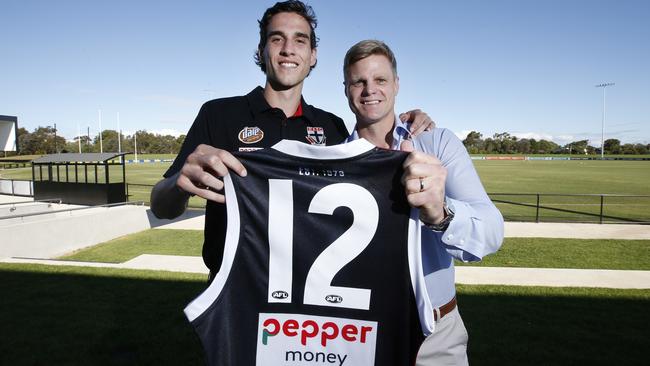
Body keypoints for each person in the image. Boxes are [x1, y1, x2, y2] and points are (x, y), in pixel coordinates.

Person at [150, 1, 432, 277]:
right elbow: (163, 208)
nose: (288, 49)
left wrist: (408, 119)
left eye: (300, 40)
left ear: (313, 55)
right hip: (234, 294)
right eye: (276, 39)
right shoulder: (219, 114)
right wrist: (179, 184)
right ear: (261, 51)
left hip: (305, 298)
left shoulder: (331, 127)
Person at [343, 39, 504, 365]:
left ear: (397, 85)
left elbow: (491, 233)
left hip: (436, 333)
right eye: (359, 81)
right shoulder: (334, 160)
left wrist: (440, 213)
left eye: (380, 80)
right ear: (346, 88)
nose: (369, 90)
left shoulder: (437, 142)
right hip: (359, 331)